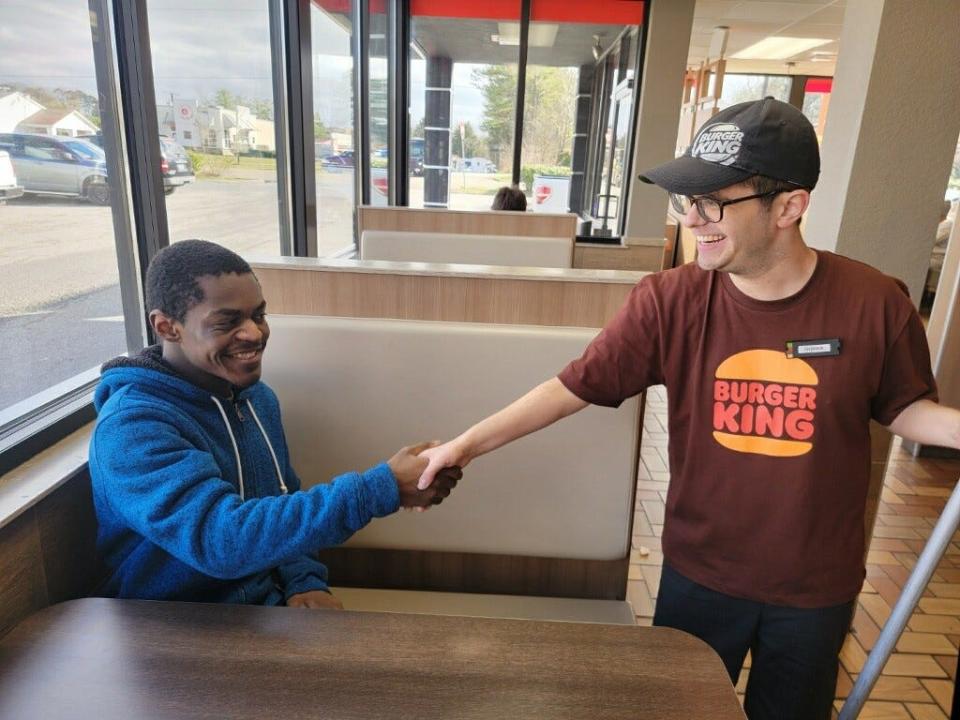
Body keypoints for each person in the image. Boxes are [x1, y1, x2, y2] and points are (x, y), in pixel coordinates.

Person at [416, 98, 960, 719]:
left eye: (714, 202)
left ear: (790, 206)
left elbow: (904, 407)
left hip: (815, 587)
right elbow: (571, 388)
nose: (694, 220)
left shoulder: (876, 302)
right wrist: (462, 446)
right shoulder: (669, 301)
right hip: (703, 574)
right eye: (687, 201)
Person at [89, 240, 460, 609]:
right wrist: (381, 489)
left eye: (259, 315)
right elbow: (222, 541)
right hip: (171, 627)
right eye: (227, 322)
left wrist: (304, 582)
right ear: (167, 327)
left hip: (265, 610)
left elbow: (281, 502)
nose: (254, 333)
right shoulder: (132, 427)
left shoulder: (256, 399)